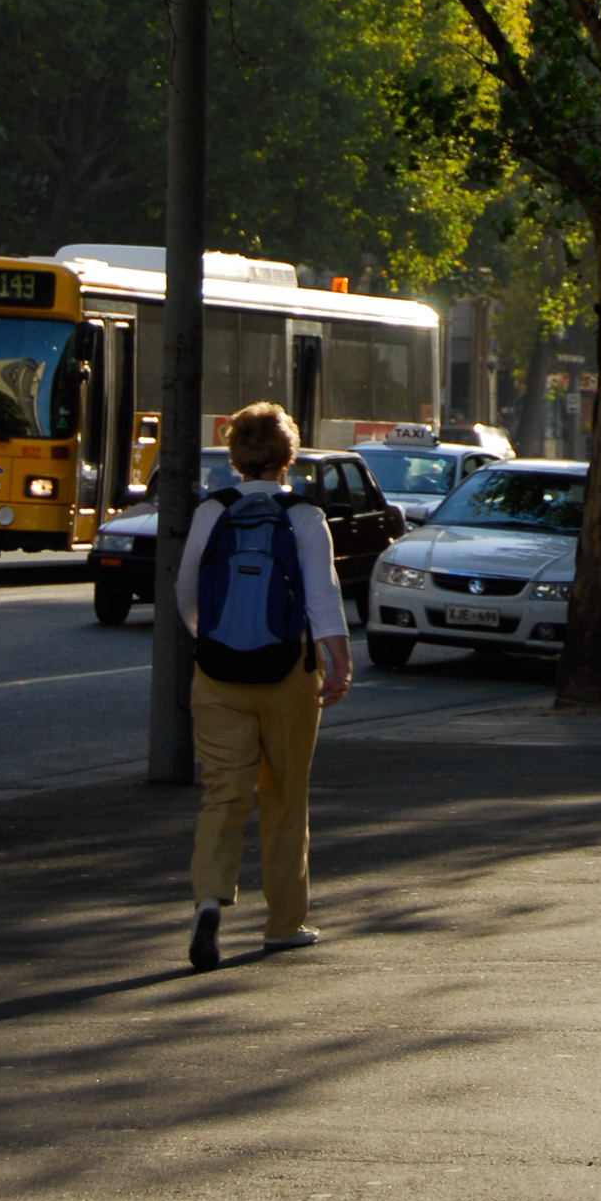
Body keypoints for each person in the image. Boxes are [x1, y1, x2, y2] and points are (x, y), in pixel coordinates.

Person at [177, 400, 353, 968]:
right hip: (287, 674)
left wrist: (215, 640)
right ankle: (283, 924)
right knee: (284, 797)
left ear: (235, 456)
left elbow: (187, 593)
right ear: (287, 458)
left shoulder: (213, 511)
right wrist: (340, 663)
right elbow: (323, 599)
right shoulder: (304, 515)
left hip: (218, 672)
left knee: (223, 793)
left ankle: (209, 899)